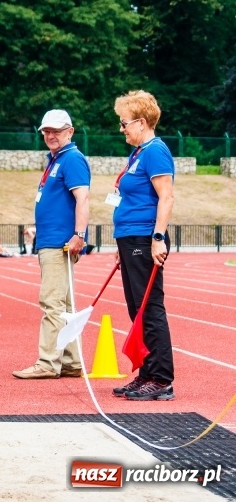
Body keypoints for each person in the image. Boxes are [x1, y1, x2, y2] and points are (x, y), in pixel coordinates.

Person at [13, 109, 90, 380]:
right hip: (53, 240)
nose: (50, 135)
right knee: (64, 306)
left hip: (59, 243)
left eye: (56, 131)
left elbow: (83, 198)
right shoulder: (56, 160)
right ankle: (71, 362)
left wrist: (79, 234)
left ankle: (47, 362)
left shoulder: (71, 159)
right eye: (46, 131)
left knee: (51, 303)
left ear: (70, 131)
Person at [110, 90, 175, 401]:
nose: (121, 129)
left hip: (145, 237)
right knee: (137, 310)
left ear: (141, 121)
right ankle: (147, 372)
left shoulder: (155, 151)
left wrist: (158, 236)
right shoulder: (137, 153)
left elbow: (166, 196)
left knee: (149, 309)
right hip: (129, 238)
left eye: (124, 124)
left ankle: (162, 379)